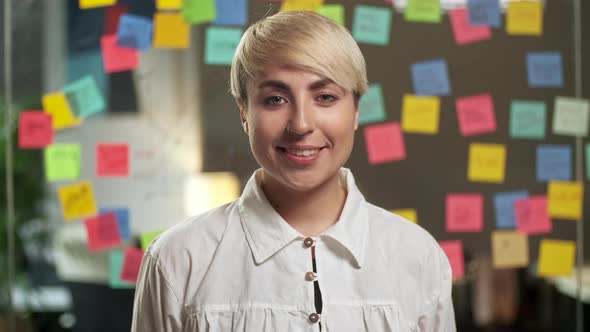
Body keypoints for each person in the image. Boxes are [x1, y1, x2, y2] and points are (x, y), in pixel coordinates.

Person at [131, 10, 456, 332]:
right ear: (245, 112)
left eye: (325, 97)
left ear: (356, 110)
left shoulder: (417, 255)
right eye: (275, 99)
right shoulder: (177, 259)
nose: (301, 124)